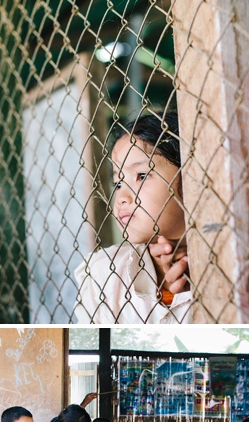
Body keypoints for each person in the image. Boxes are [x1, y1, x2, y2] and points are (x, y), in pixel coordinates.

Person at [75, 112, 191, 324]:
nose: (121, 198)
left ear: (190, 176)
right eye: (118, 183)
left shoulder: (229, 269)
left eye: (142, 175)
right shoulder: (103, 274)